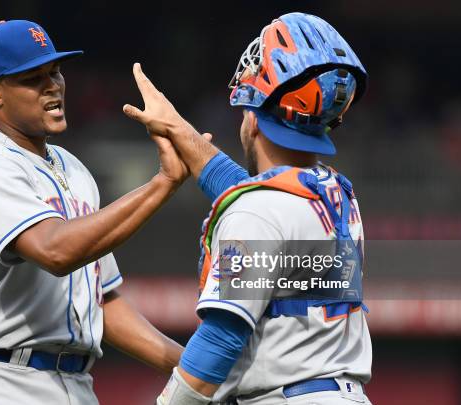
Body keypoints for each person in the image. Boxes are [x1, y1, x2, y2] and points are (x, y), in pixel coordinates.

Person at [0, 19, 196, 405]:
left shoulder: (74, 170)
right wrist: (163, 183)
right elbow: (55, 252)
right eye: (32, 78)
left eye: (54, 71)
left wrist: (191, 367)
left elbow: (104, 302)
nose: (52, 85)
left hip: (76, 385)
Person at [123, 12, 372, 405]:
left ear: (253, 120)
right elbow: (255, 199)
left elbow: (220, 340)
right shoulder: (334, 193)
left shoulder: (258, 213)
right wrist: (177, 128)